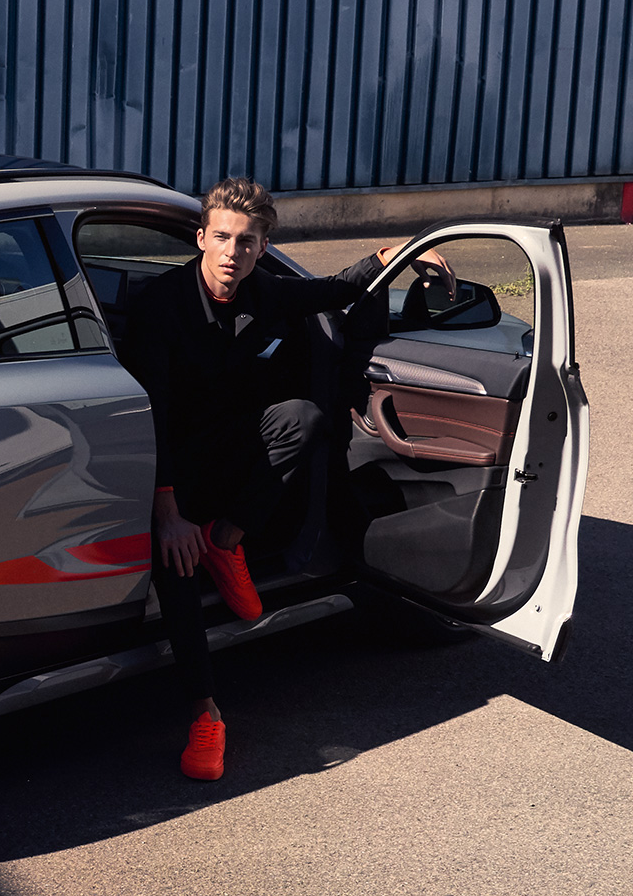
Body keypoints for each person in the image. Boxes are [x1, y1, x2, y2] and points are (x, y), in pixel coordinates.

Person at [118, 177, 451, 781]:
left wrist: (393, 254)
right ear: (200, 238)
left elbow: (332, 289)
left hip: (226, 450)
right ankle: (206, 712)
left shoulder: (262, 292)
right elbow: (154, 411)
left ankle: (226, 539)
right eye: (222, 237)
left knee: (304, 418)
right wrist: (167, 510)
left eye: (246, 242)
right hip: (162, 461)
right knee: (176, 567)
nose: (232, 253)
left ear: (262, 247)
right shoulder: (160, 305)